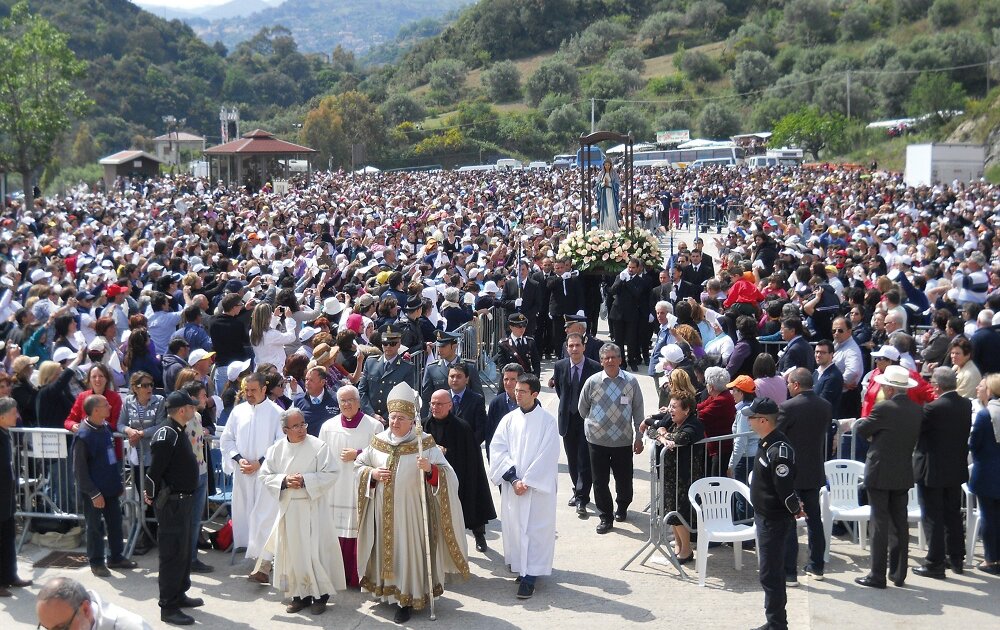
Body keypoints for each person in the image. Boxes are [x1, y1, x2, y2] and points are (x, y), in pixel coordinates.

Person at [355, 382, 469, 625]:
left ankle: (407, 599)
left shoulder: (424, 443)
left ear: (412, 421)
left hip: (412, 514)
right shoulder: (378, 441)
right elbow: (359, 466)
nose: (395, 422)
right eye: (392, 417)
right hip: (381, 513)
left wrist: (430, 470)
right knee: (386, 551)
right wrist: (372, 475)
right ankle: (387, 592)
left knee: (407, 553)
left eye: (401, 418)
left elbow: (449, 476)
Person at [258, 407, 344, 615]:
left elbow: (332, 472)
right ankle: (299, 596)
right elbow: (265, 475)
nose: (301, 429)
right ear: (285, 429)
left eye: (303, 424)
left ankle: (320, 596)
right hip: (290, 508)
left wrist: (306, 480)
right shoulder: (276, 450)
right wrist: (285, 481)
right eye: (295, 426)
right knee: (293, 553)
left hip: (313, 506)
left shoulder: (318, 446)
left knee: (315, 552)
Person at [488, 373, 561, 599]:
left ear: (535, 394)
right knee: (516, 528)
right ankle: (522, 567)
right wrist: (512, 478)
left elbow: (548, 455)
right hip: (514, 487)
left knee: (536, 530)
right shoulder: (509, 420)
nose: (516, 394)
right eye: (516, 390)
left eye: (522, 391)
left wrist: (527, 481)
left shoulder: (547, 422)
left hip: (536, 490)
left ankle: (532, 576)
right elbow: (497, 448)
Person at [853, 365, 923, 589]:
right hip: (902, 471)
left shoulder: (884, 408)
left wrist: (877, 433)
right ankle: (898, 573)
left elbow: (862, 429)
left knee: (880, 522)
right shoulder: (916, 410)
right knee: (899, 524)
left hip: (880, 470)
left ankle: (877, 574)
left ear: (891, 389)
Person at [145, 390, 204, 626]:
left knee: (183, 552)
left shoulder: (177, 430)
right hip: (172, 504)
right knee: (171, 554)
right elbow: (154, 472)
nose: (193, 409)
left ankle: (179, 594)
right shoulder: (166, 434)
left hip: (183, 501)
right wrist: (150, 495)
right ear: (182, 410)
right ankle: (168, 606)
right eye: (191, 406)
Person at [318, 384, 383, 589]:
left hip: (360, 485)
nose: (346, 404)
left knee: (359, 529)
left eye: (350, 400)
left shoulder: (373, 426)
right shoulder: (328, 426)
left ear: (358, 401)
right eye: (342, 401)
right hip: (336, 488)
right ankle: (335, 572)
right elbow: (321, 456)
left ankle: (359, 575)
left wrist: (358, 453)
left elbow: (382, 455)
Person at [219, 372, 283, 573]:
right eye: (247, 390)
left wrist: (260, 462)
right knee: (244, 512)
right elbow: (227, 439)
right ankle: (250, 552)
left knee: (265, 514)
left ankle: (266, 559)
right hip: (243, 472)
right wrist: (239, 459)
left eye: (253, 390)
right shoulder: (238, 412)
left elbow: (280, 444)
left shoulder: (276, 412)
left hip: (265, 474)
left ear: (264, 389)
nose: (249, 394)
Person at [747, 397, 802, 630]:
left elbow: (785, 489)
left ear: (763, 421)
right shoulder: (766, 443)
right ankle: (775, 622)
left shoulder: (778, 450)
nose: (748, 420)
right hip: (764, 517)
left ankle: (778, 624)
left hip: (774, 521)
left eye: (751, 417)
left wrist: (795, 509)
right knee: (769, 573)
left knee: (771, 575)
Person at [912, 367, 972, 578]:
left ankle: (934, 562)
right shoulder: (965, 404)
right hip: (955, 469)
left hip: (932, 470)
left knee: (933, 517)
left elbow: (917, 432)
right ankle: (956, 558)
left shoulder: (933, 408)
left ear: (936, 386)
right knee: (952, 515)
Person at [578, 343, 644, 534]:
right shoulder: (592, 382)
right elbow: (583, 409)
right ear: (601, 361)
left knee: (624, 479)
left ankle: (622, 506)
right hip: (596, 441)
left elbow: (638, 410)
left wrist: (639, 437)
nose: (610, 360)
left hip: (622, 441)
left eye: (614, 357)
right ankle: (605, 516)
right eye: (606, 358)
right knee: (599, 481)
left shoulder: (631, 382)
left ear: (620, 360)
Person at [72, 394, 137, 578]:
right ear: (95, 410)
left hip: (110, 488)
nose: (110, 406)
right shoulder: (84, 435)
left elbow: (110, 459)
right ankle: (97, 562)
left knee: (115, 523)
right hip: (94, 491)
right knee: (94, 527)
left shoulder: (106, 427)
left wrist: (118, 483)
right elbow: (80, 470)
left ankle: (116, 556)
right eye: (105, 405)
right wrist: (93, 493)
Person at [777, 368, 832, 584]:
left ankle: (790, 572)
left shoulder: (788, 407)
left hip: (792, 473)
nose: (788, 387)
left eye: (789, 383)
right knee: (814, 521)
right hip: (814, 471)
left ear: (797, 385)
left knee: (790, 522)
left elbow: (778, 436)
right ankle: (817, 566)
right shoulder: (825, 406)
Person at [425, 389, 496, 552]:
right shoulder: (425, 425)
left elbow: (470, 455)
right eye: (432, 404)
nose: (435, 407)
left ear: (449, 405)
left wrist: (446, 452)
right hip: (433, 477)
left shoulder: (462, 427)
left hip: (462, 473)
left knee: (471, 504)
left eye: (439, 404)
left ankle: (479, 536)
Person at [650, 394, 704, 563]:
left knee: (680, 512)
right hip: (670, 476)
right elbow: (652, 429)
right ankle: (679, 546)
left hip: (685, 477)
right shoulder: (673, 422)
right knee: (671, 511)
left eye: (674, 407)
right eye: (670, 406)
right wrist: (661, 435)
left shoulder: (694, 425)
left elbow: (681, 438)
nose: (670, 410)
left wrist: (664, 435)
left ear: (687, 410)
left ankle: (686, 550)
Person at [552, 332, 602, 516]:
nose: (574, 349)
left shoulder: (594, 367)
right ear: (567, 348)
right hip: (567, 418)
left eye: (577, 345)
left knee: (584, 459)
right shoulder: (560, 366)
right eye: (571, 346)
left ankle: (582, 497)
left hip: (587, 420)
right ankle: (577, 489)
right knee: (572, 459)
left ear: (584, 347)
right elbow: (560, 390)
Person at [120, 371, 165, 555]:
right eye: (145, 385)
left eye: (151, 384)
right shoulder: (128, 402)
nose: (149, 388)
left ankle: (161, 534)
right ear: (135, 388)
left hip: (155, 457)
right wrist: (129, 430)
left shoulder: (159, 401)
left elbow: (162, 423)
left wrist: (141, 434)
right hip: (137, 459)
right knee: (144, 497)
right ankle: (147, 534)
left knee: (158, 496)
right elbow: (120, 424)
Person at [0, 397, 32, 597]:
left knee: (8, 538)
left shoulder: (6, 434)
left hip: (7, 498)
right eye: (13, 413)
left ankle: (10, 575)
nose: (17, 416)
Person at [36, 576, 151, 630]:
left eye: (61, 629)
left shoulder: (132, 627)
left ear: (86, 610)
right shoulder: (54, 621)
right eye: (45, 628)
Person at [971, 375, 1000, 574]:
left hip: (987, 472)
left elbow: (974, 444)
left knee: (989, 516)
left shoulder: (985, 414)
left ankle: (991, 559)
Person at [358, 326, 414, 424]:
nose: (388, 347)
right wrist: (372, 414)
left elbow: (404, 397)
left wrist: (387, 417)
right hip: (370, 418)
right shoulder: (370, 362)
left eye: (392, 344)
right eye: (385, 343)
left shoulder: (406, 368)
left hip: (391, 421)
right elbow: (362, 391)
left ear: (399, 344)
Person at [420, 329, 484, 416]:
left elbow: (478, 394)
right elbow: (426, 398)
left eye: (443, 346)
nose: (439, 350)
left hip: (465, 416)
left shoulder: (469, 367)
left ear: (454, 346)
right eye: (438, 346)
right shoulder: (432, 368)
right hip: (440, 417)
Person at [485, 364, 523, 459]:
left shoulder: (531, 402)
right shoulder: (496, 403)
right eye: (506, 379)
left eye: (513, 379)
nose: (508, 383)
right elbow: (490, 434)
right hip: (502, 457)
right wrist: (491, 458)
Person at [447, 363, 489, 445]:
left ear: (466, 379)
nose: (455, 379)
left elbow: (481, 429)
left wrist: (469, 446)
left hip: (469, 451)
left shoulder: (477, 400)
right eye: (452, 376)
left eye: (459, 376)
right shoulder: (440, 398)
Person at [292, 365, 341, 437]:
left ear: (322, 382)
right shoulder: (298, 400)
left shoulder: (336, 399)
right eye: (306, 379)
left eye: (311, 380)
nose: (307, 383)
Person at [492, 313, 542, 377]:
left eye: (524, 325)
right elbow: (502, 366)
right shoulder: (503, 344)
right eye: (519, 326)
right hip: (510, 380)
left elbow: (536, 362)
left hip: (525, 379)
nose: (522, 328)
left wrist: (535, 377)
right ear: (511, 326)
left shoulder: (530, 342)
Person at [812, 340, 843, 418]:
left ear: (831, 354)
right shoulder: (816, 372)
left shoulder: (833, 377)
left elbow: (823, 402)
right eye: (817, 352)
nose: (818, 355)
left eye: (823, 352)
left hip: (824, 422)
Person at [595, 160, 621, 230]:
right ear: (603, 165)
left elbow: (616, 185)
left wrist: (609, 184)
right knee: (604, 212)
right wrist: (603, 184)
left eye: (608, 165)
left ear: (610, 165)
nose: (607, 166)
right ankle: (604, 228)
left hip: (611, 194)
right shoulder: (601, 174)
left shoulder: (613, 173)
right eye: (605, 165)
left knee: (611, 210)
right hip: (603, 194)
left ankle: (613, 227)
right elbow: (597, 185)